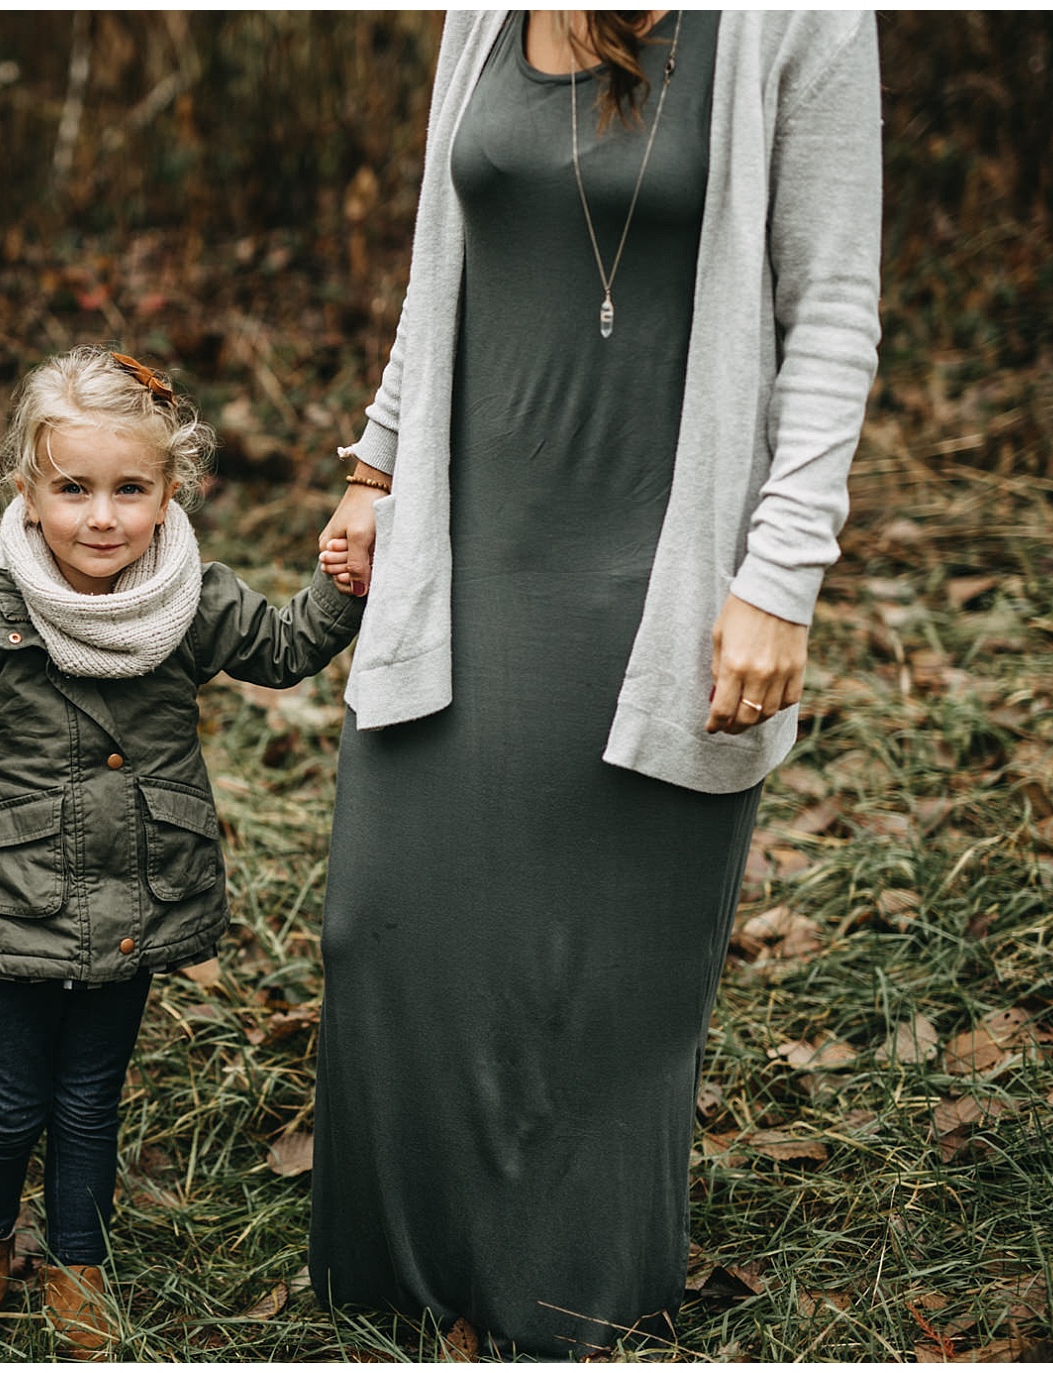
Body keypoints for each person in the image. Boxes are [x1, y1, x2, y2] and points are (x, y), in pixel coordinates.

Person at [309, 9, 881, 1357]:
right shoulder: (486, 12)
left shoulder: (802, 22)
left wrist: (778, 578)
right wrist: (379, 466)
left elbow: (835, 310)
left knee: (595, 969)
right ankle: (400, 1280)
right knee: (386, 918)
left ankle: (558, 1299)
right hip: (471, 540)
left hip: (656, 561)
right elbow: (438, 265)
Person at [0, 347, 364, 1357]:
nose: (101, 516)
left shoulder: (189, 596)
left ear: (168, 491)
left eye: (128, 489)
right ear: (29, 488)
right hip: (10, 900)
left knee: (91, 1098)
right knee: (8, 1100)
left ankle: (74, 1261)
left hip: (136, 894)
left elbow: (279, 649)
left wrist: (342, 587)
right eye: (74, 489)